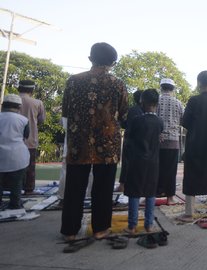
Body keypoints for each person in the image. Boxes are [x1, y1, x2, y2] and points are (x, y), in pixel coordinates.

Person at [61, 42, 128, 241]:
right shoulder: (117, 84)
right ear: (113, 63)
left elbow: (66, 111)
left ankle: (70, 231)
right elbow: (123, 114)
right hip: (107, 144)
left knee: (74, 187)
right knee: (104, 188)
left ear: (90, 59)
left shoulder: (73, 81)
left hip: (78, 143)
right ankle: (100, 229)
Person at [177, 71, 207, 222]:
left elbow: (185, 122)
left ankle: (189, 213)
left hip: (195, 143)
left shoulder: (193, 100)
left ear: (198, 83)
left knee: (191, 177)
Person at [123, 89, 164, 235]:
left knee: (134, 193)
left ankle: (132, 226)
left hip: (137, 161)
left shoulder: (136, 120)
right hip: (153, 162)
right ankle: (149, 225)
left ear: (142, 102)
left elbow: (129, 138)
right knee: (150, 192)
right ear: (156, 103)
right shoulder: (160, 122)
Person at [156, 79, 183, 205]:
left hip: (157, 140)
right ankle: (170, 198)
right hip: (173, 141)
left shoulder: (156, 100)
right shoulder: (177, 103)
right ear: (173, 89)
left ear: (161, 87)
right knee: (171, 171)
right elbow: (183, 120)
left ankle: (152, 195)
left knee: (156, 169)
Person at [0, 94, 29, 209]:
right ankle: (15, 204)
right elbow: (26, 136)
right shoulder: (23, 120)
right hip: (18, 157)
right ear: (19, 107)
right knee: (16, 183)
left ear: (3, 106)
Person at [18, 80, 46, 194]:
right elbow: (41, 120)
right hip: (30, 139)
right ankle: (29, 190)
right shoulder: (37, 103)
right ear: (32, 90)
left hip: (12, 139)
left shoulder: (11, 100)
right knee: (30, 167)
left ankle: (12, 188)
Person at [117, 89, 144, 193]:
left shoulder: (132, 110)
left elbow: (124, 123)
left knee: (127, 164)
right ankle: (135, 185)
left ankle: (123, 186)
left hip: (130, 140)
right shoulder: (144, 111)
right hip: (140, 141)